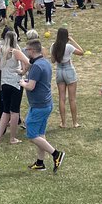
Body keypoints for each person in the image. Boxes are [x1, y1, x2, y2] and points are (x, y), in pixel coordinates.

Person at [21, 39, 64, 173]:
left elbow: (31, 86)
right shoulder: (45, 63)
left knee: (31, 134)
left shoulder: (36, 66)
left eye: (27, 50)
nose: (26, 52)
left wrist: (22, 82)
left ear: (32, 51)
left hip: (39, 106)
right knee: (40, 134)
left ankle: (56, 154)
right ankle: (40, 163)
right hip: (46, 103)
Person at [0, 28, 27, 144]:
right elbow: (28, 62)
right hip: (15, 83)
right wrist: (23, 71)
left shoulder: (0, 49)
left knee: (5, 111)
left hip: (4, 83)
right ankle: (12, 138)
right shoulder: (16, 51)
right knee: (14, 111)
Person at [50, 27, 84, 128]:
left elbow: (52, 60)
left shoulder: (53, 46)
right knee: (72, 99)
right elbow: (81, 52)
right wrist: (73, 40)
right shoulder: (68, 46)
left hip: (59, 71)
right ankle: (74, 123)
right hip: (69, 70)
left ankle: (63, 123)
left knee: (61, 98)